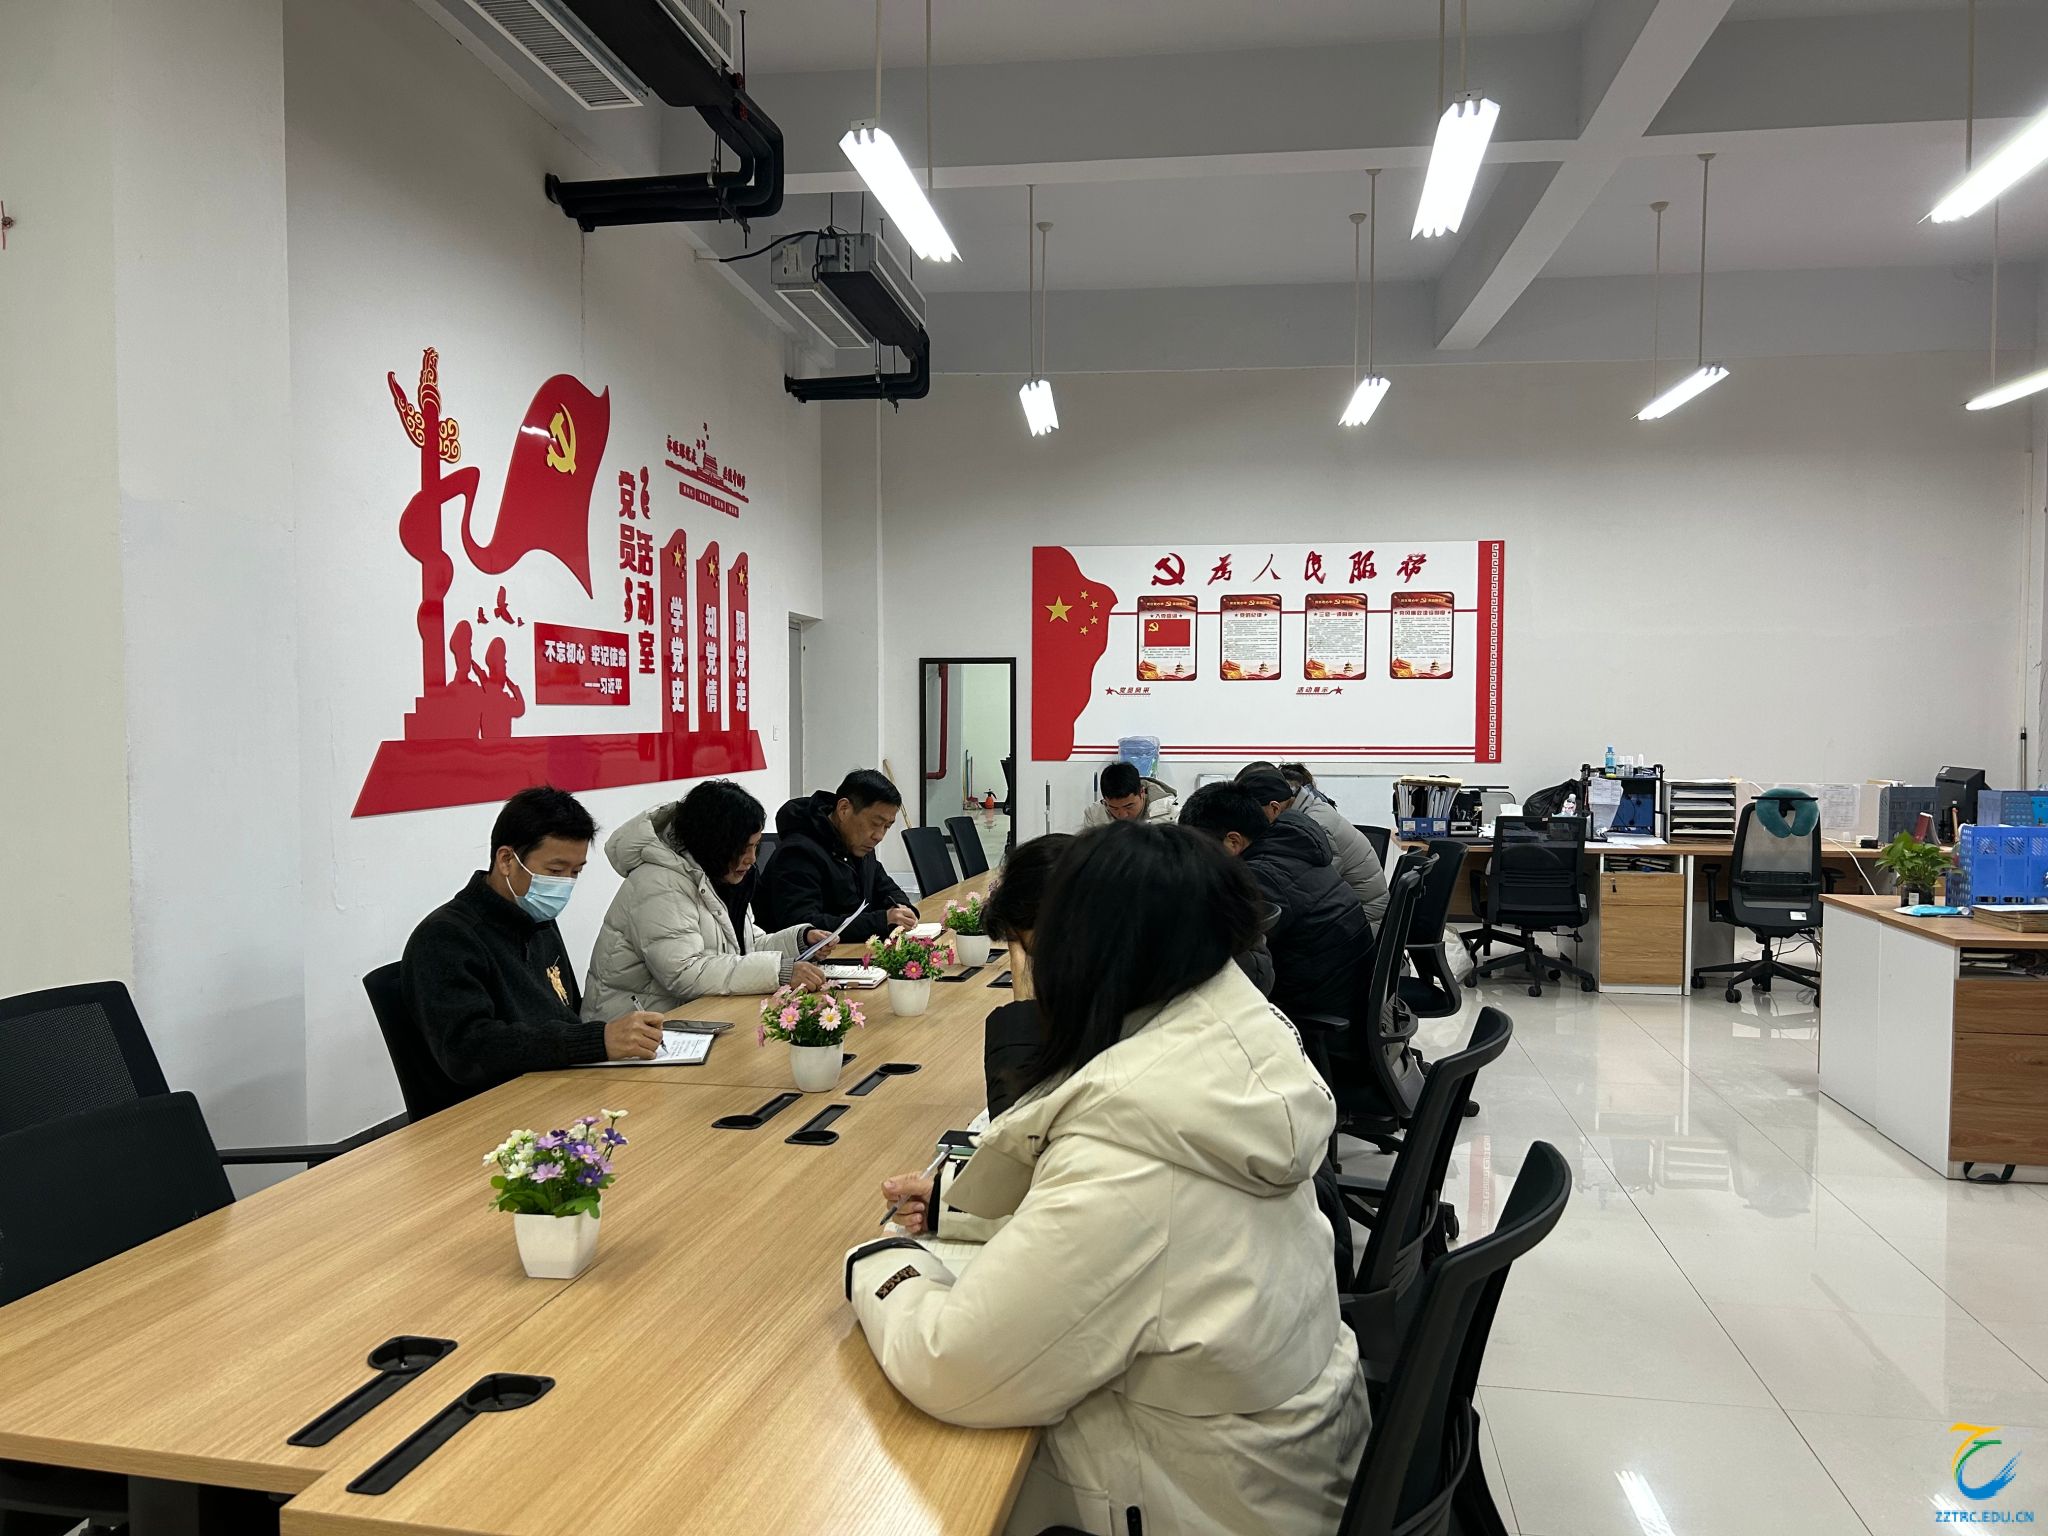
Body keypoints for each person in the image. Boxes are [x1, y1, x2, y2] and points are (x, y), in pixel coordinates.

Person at [846, 822, 1367, 1536]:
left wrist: (880, 1263)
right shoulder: (1230, 1038)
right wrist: (962, 1206)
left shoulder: (1131, 1156)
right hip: (1288, 1460)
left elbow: (954, 1365)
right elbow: (1135, 1242)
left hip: (1203, 1498)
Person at [402, 786, 668, 1095]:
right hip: (495, 1103)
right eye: (555, 870)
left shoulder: (538, 919)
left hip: (560, 1083)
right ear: (506, 860)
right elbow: (469, 1049)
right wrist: (596, 1041)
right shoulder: (445, 938)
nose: (565, 883)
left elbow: (566, 1013)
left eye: (575, 872)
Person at [581, 782, 832, 1020]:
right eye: (743, 848)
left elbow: (746, 947)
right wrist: (779, 971)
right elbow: (684, 973)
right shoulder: (659, 882)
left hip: (691, 1018)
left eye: (755, 847)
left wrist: (800, 941)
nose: (752, 859)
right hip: (632, 1031)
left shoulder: (718, 876)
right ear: (716, 843)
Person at [1179, 780, 1366, 1025]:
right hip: (1345, 1000)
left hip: (1312, 1015)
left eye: (1198, 848)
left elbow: (1238, 967)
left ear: (1233, 842)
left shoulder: (1261, 878)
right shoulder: (1289, 848)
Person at [754, 769, 920, 942]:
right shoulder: (798, 852)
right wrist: (881, 920)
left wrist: (903, 908)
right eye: (875, 823)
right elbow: (803, 926)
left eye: (887, 826)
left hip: (850, 950)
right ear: (844, 809)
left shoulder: (859, 846)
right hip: (801, 957)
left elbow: (887, 888)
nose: (879, 836)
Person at [1241, 764, 1389, 928]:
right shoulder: (1310, 808)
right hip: (1351, 913)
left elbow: (1313, 890)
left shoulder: (1314, 826)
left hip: (1363, 922)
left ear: (1274, 807)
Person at [1079, 759, 1179, 828]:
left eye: (1129, 806)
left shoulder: (1170, 813)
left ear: (1142, 792)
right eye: (1114, 808)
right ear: (1104, 800)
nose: (1123, 815)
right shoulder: (1094, 815)